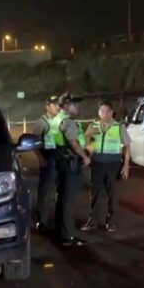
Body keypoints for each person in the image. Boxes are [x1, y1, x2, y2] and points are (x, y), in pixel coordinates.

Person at [81, 101, 131, 232]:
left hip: (113, 165)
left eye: (108, 111)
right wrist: (88, 137)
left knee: (112, 194)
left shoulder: (119, 127)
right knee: (95, 193)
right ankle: (93, 221)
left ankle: (111, 221)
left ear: (112, 112)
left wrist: (126, 166)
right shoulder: (93, 126)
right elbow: (88, 145)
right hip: (97, 164)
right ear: (98, 112)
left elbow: (127, 147)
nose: (105, 114)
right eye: (102, 111)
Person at [52, 93, 91, 246]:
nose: (78, 107)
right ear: (66, 106)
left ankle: (60, 232)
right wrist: (85, 156)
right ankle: (68, 236)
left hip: (60, 161)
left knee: (62, 199)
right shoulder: (67, 122)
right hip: (69, 163)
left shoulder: (56, 119)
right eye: (75, 104)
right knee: (68, 201)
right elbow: (73, 143)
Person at [31, 95, 61, 230]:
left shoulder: (62, 121)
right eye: (55, 105)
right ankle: (41, 220)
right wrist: (41, 159)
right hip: (48, 159)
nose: (57, 107)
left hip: (61, 158)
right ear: (47, 107)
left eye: (59, 105)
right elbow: (34, 143)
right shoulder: (41, 123)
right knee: (45, 191)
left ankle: (60, 219)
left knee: (62, 190)